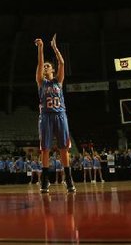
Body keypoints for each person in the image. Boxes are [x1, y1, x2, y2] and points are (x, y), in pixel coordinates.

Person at [35, 35, 75, 194]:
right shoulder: (41, 82)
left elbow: (62, 63)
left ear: (52, 69)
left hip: (60, 116)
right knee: (45, 149)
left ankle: (69, 179)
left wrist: (54, 47)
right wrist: (40, 48)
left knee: (64, 148)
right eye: (43, 66)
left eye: (47, 66)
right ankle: (45, 180)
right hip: (45, 117)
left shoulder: (58, 81)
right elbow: (39, 63)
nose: (44, 67)